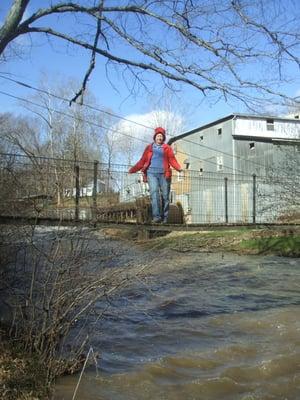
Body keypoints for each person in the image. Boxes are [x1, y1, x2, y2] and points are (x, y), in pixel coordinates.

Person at [128, 127, 182, 223]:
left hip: (164, 174)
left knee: (165, 196)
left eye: (161, 136)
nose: (160, 138)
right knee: (154, 193)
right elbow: (142, 161)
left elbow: (172, 160)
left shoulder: (167, 148)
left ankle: (165, 217)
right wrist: (133, 169)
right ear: (155, 137)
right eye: (158, 136)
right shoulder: (149, 148)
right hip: (151, 173)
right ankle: (156, 216)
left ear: (163, 138)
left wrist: (178, 168)